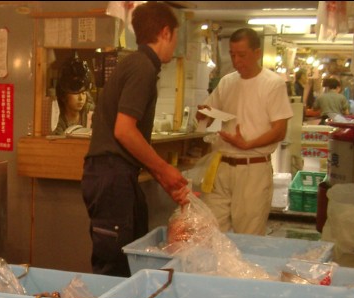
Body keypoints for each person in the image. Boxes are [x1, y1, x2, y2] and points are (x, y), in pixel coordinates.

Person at [81, 2, 189, 276]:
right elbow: (124, 130)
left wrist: (163, 177)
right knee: (115, 267)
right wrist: (164, 168)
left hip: (117, 175)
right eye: (175, 36)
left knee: (132, 259)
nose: (175, 45)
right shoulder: (142, 67)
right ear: (165, 32)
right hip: (111, 177)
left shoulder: (137, 63)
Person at [196, 28, 293, 235]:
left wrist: (248, 144)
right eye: (232, 55)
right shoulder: (227, 81)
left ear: (257, 53)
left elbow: (279, 131)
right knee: (211, 232)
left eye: (242, 55)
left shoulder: (273, 84)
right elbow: (208, 113)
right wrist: (202, 114)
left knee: (248, 235)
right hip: (222, 165)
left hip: (253, 168)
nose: (237, 61)